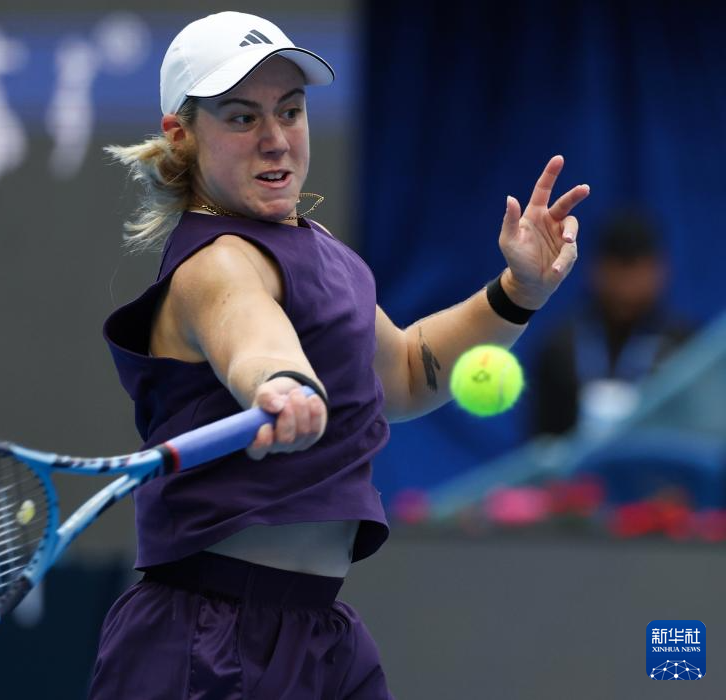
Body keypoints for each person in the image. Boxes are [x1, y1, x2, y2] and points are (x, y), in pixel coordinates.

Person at [93, 11, 588, 699]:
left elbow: (406, 373)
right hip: (205, 639)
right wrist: (278, 383)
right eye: (241, 118)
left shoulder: (325, 253)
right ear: (181, 135)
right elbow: (251, 336)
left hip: (322, 636)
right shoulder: (216, 263)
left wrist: (517, 293)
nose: (276, 139)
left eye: (289, 111)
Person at [531, 210, 693, 437]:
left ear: (660, 270)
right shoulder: (560, 348)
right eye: (618, 266)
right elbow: (542, 444)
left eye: (637, 267)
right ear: (595, 269)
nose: (627, 284)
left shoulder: (687, 348)